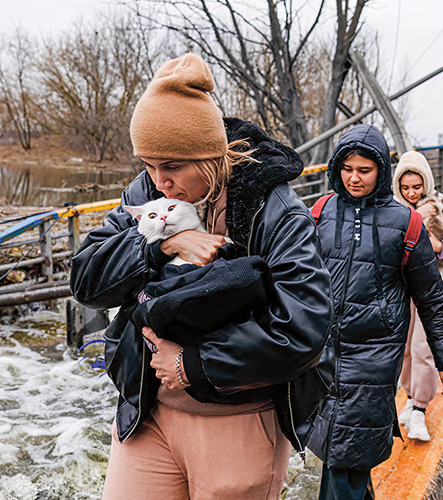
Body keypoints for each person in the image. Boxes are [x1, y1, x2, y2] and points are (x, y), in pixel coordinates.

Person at [70, 54, 332, 500]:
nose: (160, 183)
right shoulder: (146, 191)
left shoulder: (276, 209)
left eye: (172, 168)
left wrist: (191, 364)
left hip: (238, 421)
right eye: (148, 165)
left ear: (208, 157)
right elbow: (86, 281)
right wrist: (159, 243)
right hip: (147, 411)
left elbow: (303, 329)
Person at [309, 124, 443, 500]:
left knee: (346, 450)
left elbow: (429, 296)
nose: (354, 178)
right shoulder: (320, 211)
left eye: (364, 170)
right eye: (347, 169)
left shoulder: (405, 222)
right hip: (323, 351)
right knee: (338, 447)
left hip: (376, 352)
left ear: (381, 170)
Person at [391, 151, 443, 442]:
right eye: (406, 188)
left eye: (417, 186)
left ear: (426, 183)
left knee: (424, 347)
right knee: (402, 346)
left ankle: (419, 409)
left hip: (438, 285)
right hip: (404, 287)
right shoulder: (394, 211)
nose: (412, 193)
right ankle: (411, 396)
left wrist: (441, 247)